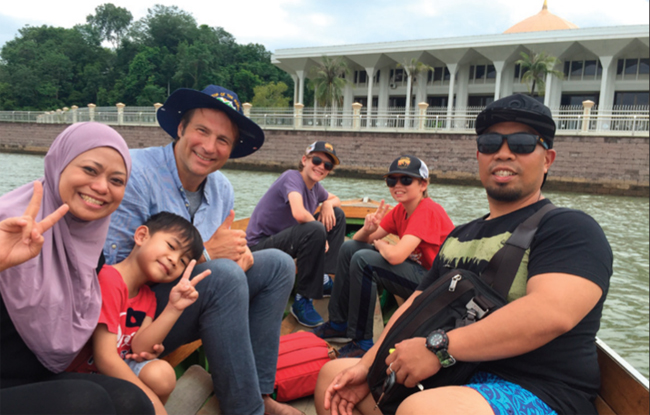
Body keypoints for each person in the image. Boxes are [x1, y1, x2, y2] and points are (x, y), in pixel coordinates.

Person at [315, 93, 613, 415]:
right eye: (490, 143)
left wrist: (438, 347)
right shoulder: (459, 235)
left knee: (423, 410)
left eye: (523, 143)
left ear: (547, 159)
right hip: (453, 374)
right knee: (335, 377)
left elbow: (551, 312)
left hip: (536, 388)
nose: (503, 153)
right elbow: (415, 303)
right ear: (479, 155)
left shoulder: (568, 227)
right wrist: (369, 363)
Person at [103, 85, 298, 415]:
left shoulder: (222, 189)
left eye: (223, 140)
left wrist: (241, 256)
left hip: (190, 302)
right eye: (202, 131)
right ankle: (247, 411)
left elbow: (224, 255)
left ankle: (260, 393)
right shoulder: (135, 173)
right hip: (138, 316)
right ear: (181, 129)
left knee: (278, 265)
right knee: (221, 275)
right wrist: (206, 255)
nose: (210, 147)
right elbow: (114, 268)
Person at [0, 122, 155, 415]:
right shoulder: (9, 225)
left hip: (35, 380)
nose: (101, 187)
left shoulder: (89, 252)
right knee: (85, 401)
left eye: (117, 180)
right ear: (59, 163)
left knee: (132, 401)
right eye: (90, 170)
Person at [69, 212, 211, 415]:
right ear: (142, 236)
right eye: (171, 247)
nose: (173, 260)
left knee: (162, 374)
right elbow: (105, 357)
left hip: (115, 368)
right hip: (83, 374)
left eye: (183, 261)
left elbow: (140, 347)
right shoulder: (109, 279)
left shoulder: (148, 297)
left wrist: (174, 307)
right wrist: (153, 403)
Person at [313, 155, 454, 358]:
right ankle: (339, 324)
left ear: (423, 184)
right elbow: (361, 240)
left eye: (406, 180)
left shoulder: (427, 210)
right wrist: (368, 229)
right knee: (349, 248)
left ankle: (362, 342)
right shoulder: (400, 211)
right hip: (421, 276)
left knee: (364, 260)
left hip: (437, 287)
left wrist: (379, 243)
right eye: (392, 180)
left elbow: (395, 256)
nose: (398, 185)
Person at [247, 141, 346, 327]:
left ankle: (324, 277)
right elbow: (299, 213)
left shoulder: (316, 188)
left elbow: (336, 200)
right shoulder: (292, 177)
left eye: (327, 165)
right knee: (314, 229)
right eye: (316, 160)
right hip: (259, 246)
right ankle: (303, 299)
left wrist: (326, 204)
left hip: (285, 240)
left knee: (337, 215)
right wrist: (321, 235)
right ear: (304, 160)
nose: (321, 167)